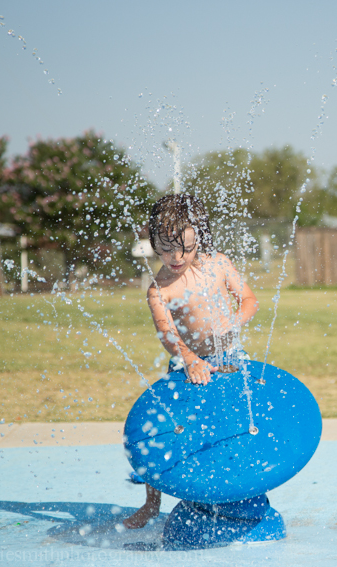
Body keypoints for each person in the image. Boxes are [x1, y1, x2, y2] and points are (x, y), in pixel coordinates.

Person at [123, 193, 259, 529]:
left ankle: (237, 492)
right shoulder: (160, 289)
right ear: (153, 241)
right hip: (188, 363)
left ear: (200, 236)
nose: (175, 256)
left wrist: (235, 320)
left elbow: (250, 300)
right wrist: (189, 359)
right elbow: (167, 335)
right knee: (167, 427)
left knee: (235, 421)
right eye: (165, 248)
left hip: (229, 358)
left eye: (185, 246)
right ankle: (152, 504)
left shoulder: (219, 265)